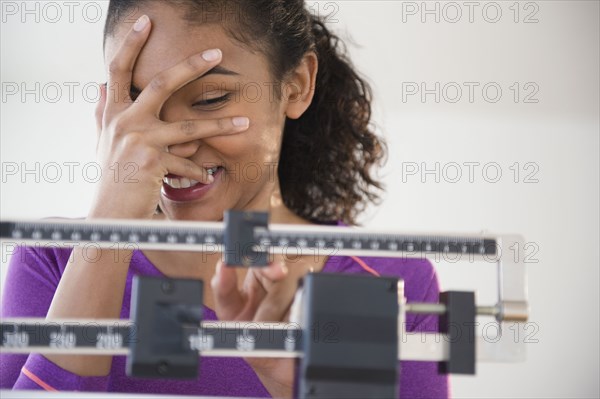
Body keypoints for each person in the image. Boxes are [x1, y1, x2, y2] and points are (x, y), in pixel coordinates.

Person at [0, 0, 449, 397]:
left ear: (296, 85)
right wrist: (109, 221)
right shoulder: (53, 262)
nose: (169, 143)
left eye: (211, 99)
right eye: (139, 102)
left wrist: (293, 387)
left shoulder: (394, 282)